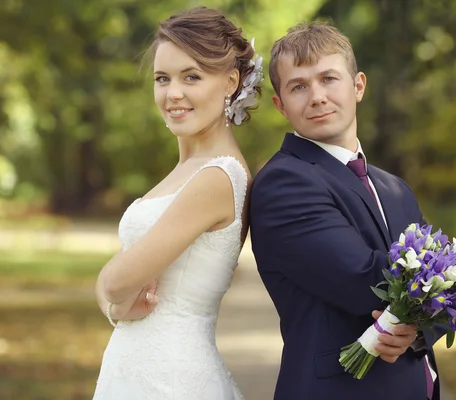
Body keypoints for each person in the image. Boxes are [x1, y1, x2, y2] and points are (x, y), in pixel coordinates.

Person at [249, 22, 443, 399]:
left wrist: (419, 327)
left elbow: (435, 283)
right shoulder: (283, 183)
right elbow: (366, 282)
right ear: (281, 105)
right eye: (299, 86)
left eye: (328, 79)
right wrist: (441, 280)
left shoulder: (395, 188)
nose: (317, 96)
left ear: (358, 86)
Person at [92, 6, 263, 399]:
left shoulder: (217, 177)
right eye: (162, 78)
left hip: (170, 379)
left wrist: (112, 293)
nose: (173, 93)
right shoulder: (189, 170)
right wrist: (114, 303)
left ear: (231, 82)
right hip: (139, 367)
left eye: (192, 77)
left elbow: (115, 281)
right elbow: (113, 288)